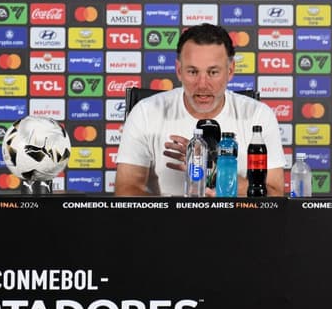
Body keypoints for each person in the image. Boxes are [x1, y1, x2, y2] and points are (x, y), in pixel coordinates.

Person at [115, 23, 285, 197]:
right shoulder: (145, 113)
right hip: (168, 221)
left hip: (237, 222)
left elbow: (274, 194)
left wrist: (212, 170)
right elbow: (126, 192)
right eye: (193, 72)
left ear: (230, 70)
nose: (202, 84)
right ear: (179, 71)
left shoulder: (258, 116)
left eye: (213, 72)